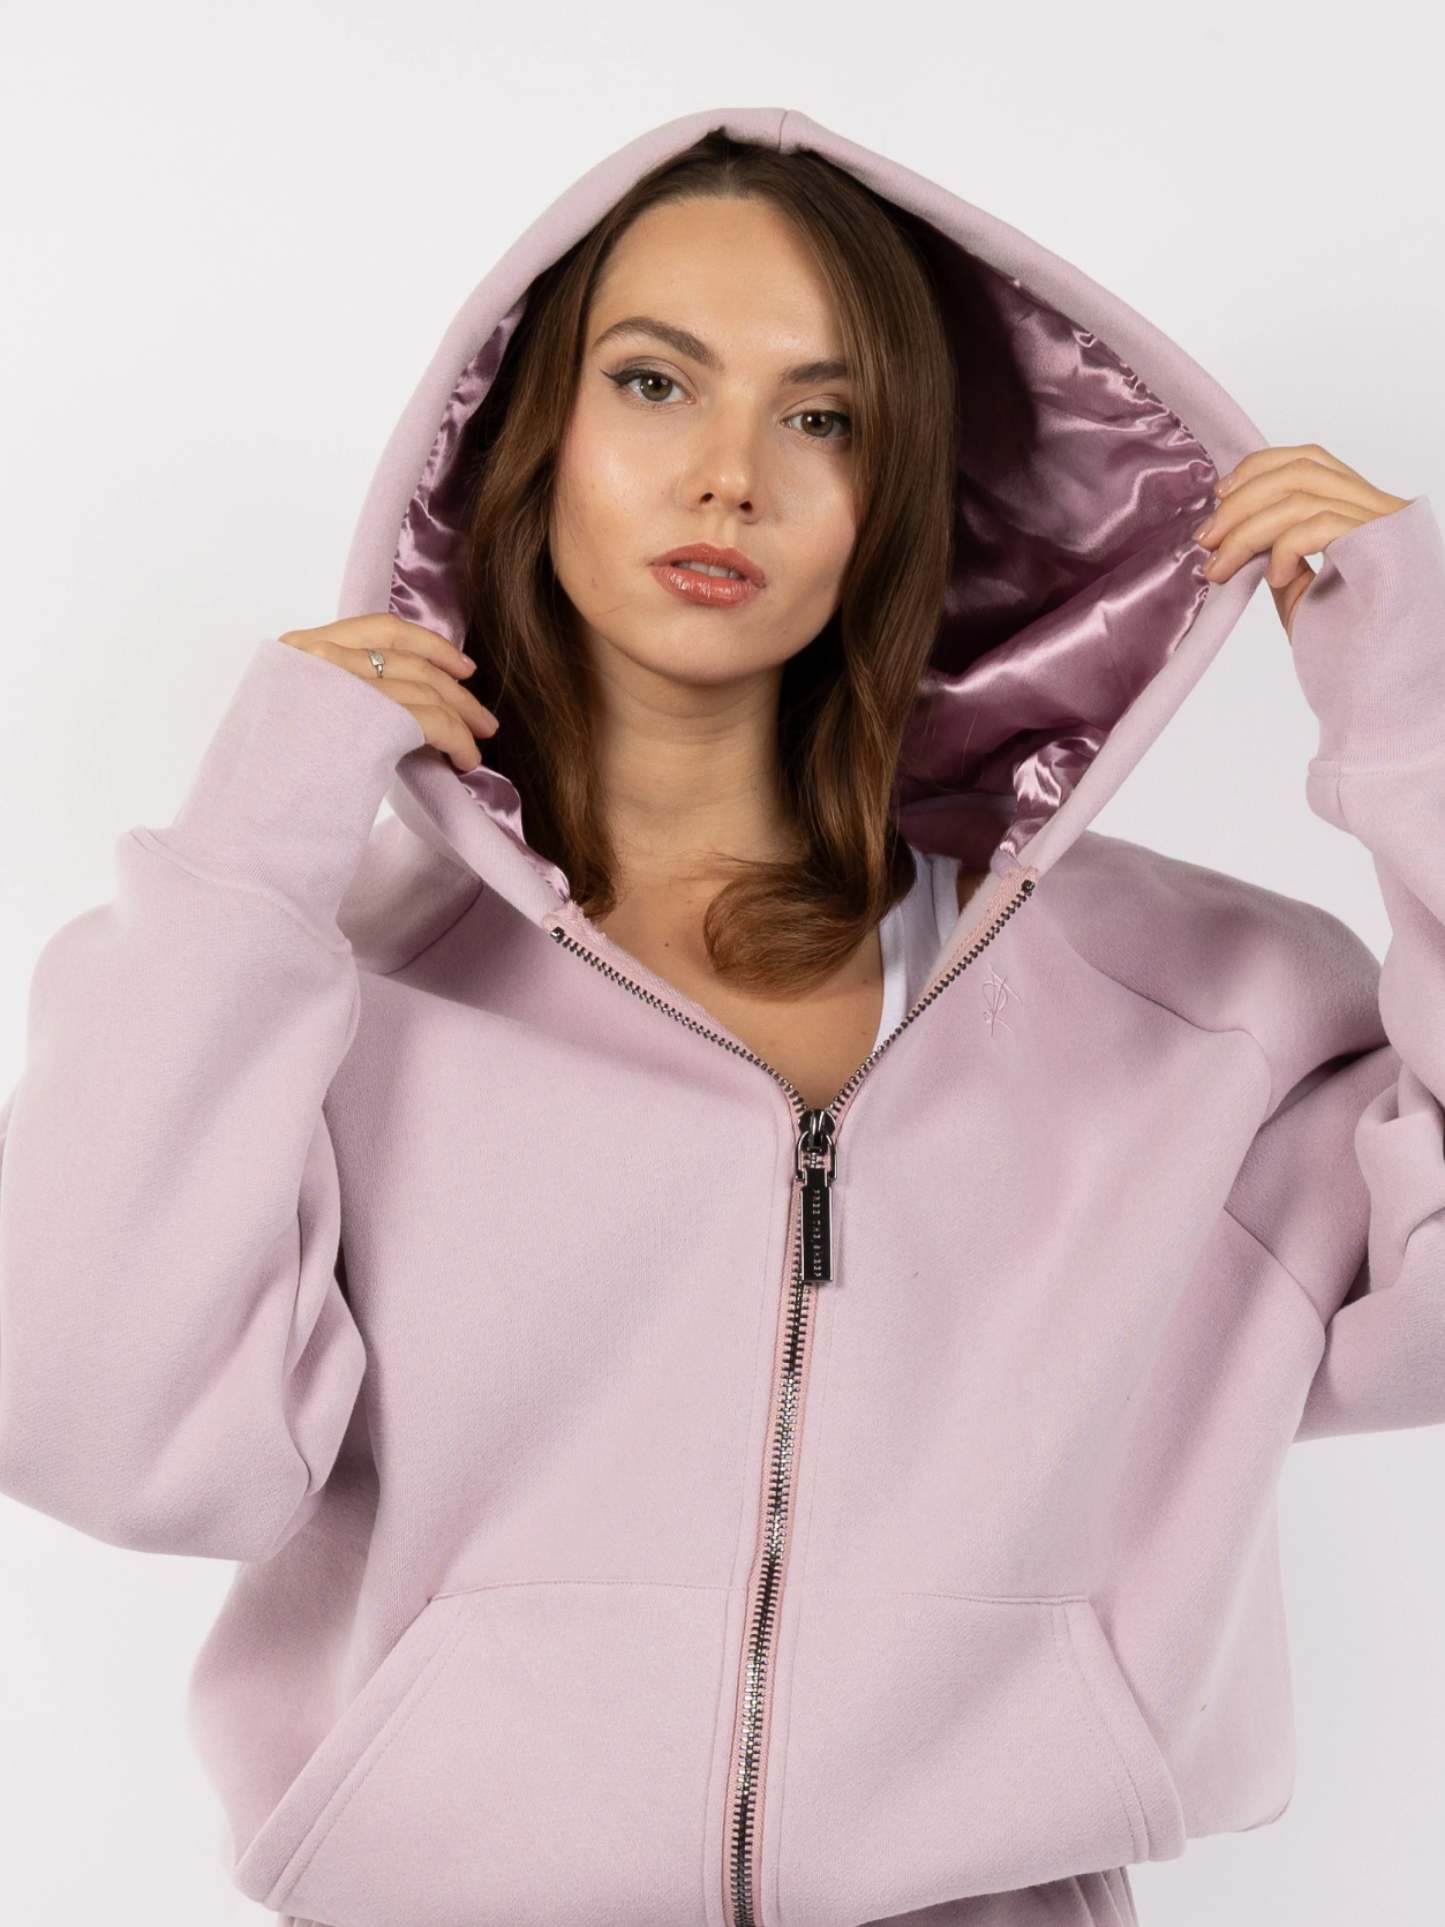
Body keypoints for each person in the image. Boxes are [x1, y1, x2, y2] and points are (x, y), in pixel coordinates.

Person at [0, 104, 1439, 1927]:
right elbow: (98, 1430)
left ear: (897, 498)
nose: (728, 476)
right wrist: (251, 849)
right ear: (521, 439)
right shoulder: (321, 993)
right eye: (654, 383)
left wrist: (1419, 722)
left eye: (821, 418)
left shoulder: (1193, 1013)